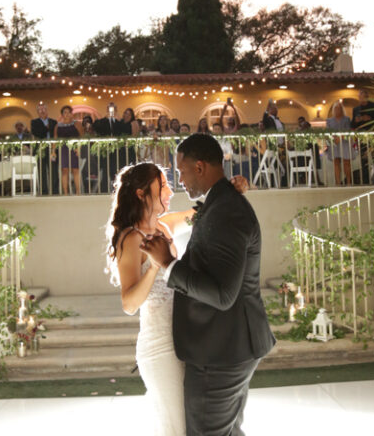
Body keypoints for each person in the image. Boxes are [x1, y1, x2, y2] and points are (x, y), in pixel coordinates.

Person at [140, 134, 275, 435]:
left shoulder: (226, 210)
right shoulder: (219, 203)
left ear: (199, 167)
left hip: (222, 353)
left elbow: (223, 294)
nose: (180, 180)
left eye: (181, 171)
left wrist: (168, 264)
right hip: (226, 345)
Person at [106, 161, 250, 435]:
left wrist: (232, 190)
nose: (170, 190)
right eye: (163, 185)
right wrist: (156, 265)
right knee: (176, 429)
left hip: (186, 342)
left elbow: (204, 213)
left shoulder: (165, 225)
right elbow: (129, 304)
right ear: (140, 193)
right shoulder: (131, 238)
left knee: (191, 424)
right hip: (160, 348)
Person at [93, 103, 131, 192]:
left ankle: (119, 189)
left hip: (118, 150)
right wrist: (105, 117)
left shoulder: (120, 121)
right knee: (106, 170)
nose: (111, 111)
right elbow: (96, 127)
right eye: (110, 109)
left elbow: (127, 130)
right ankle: (105, 190)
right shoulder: (102, 121)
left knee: (117, 170)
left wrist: (119, 120)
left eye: (113, 109)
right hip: (106, 150)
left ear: (116, 111)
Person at [351, 89, 374, 184]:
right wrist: (357, 121)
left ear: (367, 97)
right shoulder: (356, 109)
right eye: (359, 97)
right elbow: (353, 124)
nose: (361, 98)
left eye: (363, 96)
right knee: (363, 159)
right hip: (362, 137)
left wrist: (370, 118)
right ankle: (365, 180)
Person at [53, 105, 83, 194]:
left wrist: (79, 148)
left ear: (71, 114)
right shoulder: (57, 126)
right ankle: (65, 192)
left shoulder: (77, 124)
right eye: (65, 112)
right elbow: (55, 139)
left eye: (69, 112)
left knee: (75, 169)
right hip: (63, 149)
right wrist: (53, 151)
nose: (67, 114)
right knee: (64, 170)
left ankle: (78, 192)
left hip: (74, 148)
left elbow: (81, 137)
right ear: (62, 114)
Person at [31, 103, 58, 195]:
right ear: (37, 112)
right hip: (40, 149)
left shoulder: (53, 122)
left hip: (52, 148)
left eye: (44, 109)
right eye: (40, 110)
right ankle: (43, 191)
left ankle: (54, 191)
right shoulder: (34, 122)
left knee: (53, 169)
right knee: (41, 169)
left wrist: (45, 129)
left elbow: (56, 134)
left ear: (47, 111)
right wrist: (46, 128)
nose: (42, 111)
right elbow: (37, 133)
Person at [326, 101, 353, 185]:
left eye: (339, 108)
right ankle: (338, 182)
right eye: (336, 108)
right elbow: (328, 131)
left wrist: (340, 138)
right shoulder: (329, 120)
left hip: (344, 143)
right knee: (336, 163)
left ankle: (349, 182)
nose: (337, 110)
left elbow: (348, 130)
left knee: (346, 163)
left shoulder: (346, 119)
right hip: (334, 144)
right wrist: (333, 138)